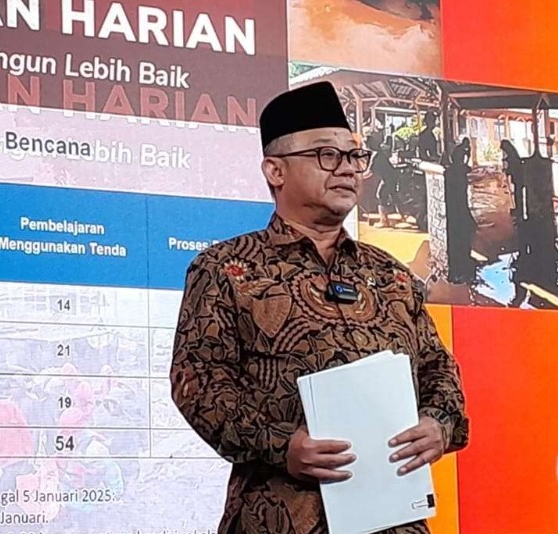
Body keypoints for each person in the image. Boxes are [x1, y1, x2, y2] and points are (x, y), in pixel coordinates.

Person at [169, 81, 469, 534]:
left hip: (395, 519)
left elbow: (438, 368)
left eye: (354, 156)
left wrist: (437, 424)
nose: (347, 169)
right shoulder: (227, 269)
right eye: (327, 155)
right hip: (279, 517)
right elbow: (199, 382)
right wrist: (281, 445)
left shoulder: (390, 275)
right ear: (275, 170)